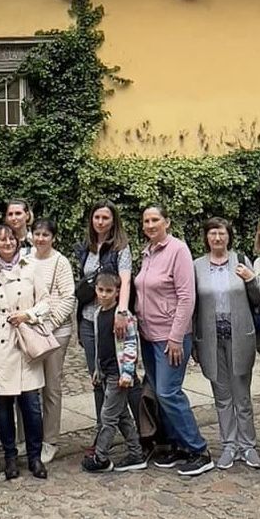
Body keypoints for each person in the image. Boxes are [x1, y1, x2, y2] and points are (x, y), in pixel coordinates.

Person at [135, 204, 213, 477]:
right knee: (159, 392)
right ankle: (178, 444)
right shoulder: (147, 253)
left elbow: (186, 296)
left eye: (155, 219)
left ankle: (198, 449)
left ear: (166, 222)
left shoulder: (177, 250)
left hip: (170, 337)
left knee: (169, 392)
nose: (150, 224)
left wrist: (177, 337)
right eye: (146, 220)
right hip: (148, 335)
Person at [0, 225, 49, 481]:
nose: (7, 243)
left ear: (17, 242)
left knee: (32, 405)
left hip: (25, 340)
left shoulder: (31, 267)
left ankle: (35, 456)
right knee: (3, 405)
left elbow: (46, 302)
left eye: (11, 239)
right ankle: (9, 457)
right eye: (1, 240)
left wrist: (28, 314)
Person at [192, 217, 260, 470]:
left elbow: (258, 299)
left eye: (221, 233)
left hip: (239, 335)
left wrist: (251, 279)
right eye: (212, 234)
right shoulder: (197, 266)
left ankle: (248, 446)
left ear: (229, 236)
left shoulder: (241, 261)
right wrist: (192, 342)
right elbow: (193, 305)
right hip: (211, 338)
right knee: (221, 396)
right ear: (207, 238)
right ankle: (229, 445)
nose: (217, 238)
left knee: (242, 396)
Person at [82, 271, 147, 473]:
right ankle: (137, 454)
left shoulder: (125, 318)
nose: (104, 295)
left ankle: (100, 457)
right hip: (106, 373)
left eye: (109, 291)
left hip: (119, 375)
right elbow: (100, 346)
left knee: (108, 417)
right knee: (122, 416)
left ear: (117, 292)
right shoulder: (96, 314)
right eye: (101, 290)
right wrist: (97, 370)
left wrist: (127, 373)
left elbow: (130, 346)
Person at [74, 200, 133, 420]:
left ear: (113, 220)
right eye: (97, 217)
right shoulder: (86, 247)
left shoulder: (120, 248)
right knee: (96, 377)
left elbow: (125, 281)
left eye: (105, 217)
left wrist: (122, 312)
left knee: (118, 376)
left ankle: (126, 426)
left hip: (110, 319)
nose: (100, 222)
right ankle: (103, 426)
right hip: (88, 319)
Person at [29, 218, 76, 465]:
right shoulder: (26, 259)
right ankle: (27, 435)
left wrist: (49, 324)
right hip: (30, 331)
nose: (40, 239)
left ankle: (50, 440)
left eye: (45, 234)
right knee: (27, 385)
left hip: (55, 332)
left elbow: (68, 298)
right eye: (37, 233)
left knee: (51, 387)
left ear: (53, 237)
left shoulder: (60, 262)